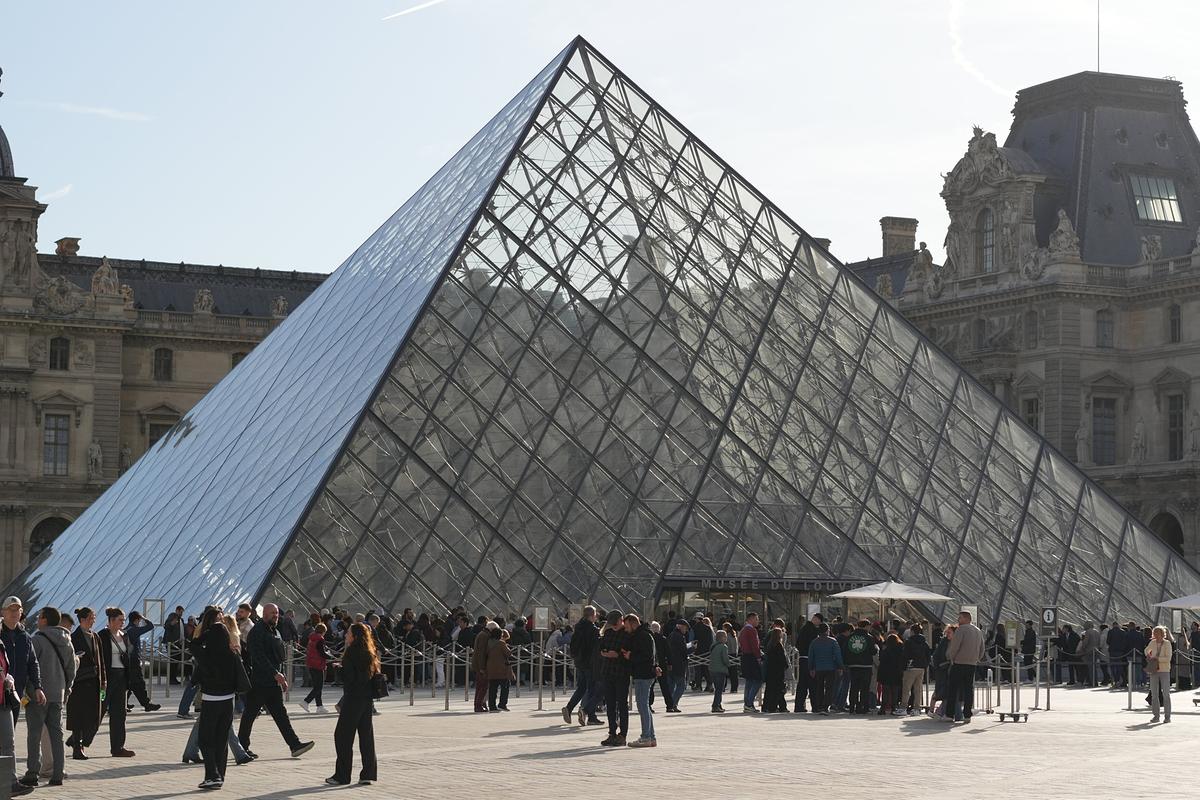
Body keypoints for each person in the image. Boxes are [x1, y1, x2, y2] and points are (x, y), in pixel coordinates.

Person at [238, 603, 315, 759]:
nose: (276, 615)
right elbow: (258, 656)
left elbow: (277, 657)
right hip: (259, 682)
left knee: (281, 715)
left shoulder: (275, 631)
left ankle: (294, 745)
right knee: (250, 715)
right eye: (272, 613)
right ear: (264, 613)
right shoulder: (257, 632)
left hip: (273, 683)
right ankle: (242, 747)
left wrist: (281, 677)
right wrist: (275, 674)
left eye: (277, 613)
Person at [189, 608, 248, 790]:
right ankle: (220, 776)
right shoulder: (232, 653)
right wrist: (220, 628)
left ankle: (212, 775)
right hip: (228, 700)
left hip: (211, 699)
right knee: (222, 740)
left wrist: (207, 632)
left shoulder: (207, 655)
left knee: (206, 739)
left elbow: (193, 645)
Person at [19, 607, 75, 788]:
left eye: (40, 617)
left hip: (39, 694)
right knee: (56, 735)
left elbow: (29, 667)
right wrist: (66, 690)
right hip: (57, 694)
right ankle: (57, 774)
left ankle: (32, 773)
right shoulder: (67, 641)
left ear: (44, 620)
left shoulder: (37, 639)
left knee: (34, 735)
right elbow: (71, 669)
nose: (37, 620)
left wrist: (27, 690)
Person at [325, 623, 379, 786]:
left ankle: (342, 776)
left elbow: (349, 677)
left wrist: (338, 668)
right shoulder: (369, 652)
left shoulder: (351, 652)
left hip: (353, 698)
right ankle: (368, 773)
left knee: (342, 736)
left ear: (354, 636)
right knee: (366, 737)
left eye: (348, 633)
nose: (346, 635)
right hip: (366, 699)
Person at [66, 608, 105, 760]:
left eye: (94, 617)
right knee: (78, 718)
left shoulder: (95, 636)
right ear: (83, 619)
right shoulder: (73, 637)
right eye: (91, 617)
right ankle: (77, 747)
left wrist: (103, 681)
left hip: (94, 683)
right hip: (79, 684)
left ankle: (77, 743)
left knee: (93, 718)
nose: (93, 620)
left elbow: (101, 661)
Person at [96, 608, 135, 757]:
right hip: (106, 679)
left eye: (123, 620)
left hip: (121, 678)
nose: (122, 622)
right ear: (111, 620)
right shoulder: (102, 636)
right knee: (99, 710)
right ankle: (78, 740)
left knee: (119, 714)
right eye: (120, 619)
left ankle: (118, 747)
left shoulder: (124, 636)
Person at [0, 597, 42, 722]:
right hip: (0, 692)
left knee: (9, 735)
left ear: (21, 612)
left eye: (17, 609)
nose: (14, 613)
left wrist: (38, 687)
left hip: (15, 693)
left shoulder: (26, 638)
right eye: (10, 609)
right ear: (3, 612)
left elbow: (33, 664)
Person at [944, 611, 984, 723]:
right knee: (968, 690)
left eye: (960, 618)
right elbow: (982, 648)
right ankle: (967, 715)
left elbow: (955, 646)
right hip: (971, 664)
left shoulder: (961, 630)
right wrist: (977, 658)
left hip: (959, 663)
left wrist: (951, 657)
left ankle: (949, 714)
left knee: (953, 689)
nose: (958, 620)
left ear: (966, 618)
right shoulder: (978, 631)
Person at [624, 614, 658, 747]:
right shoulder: (646, 634)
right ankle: (651, 737)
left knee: (642, 706)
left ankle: (646, 737)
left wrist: (630, 655)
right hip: (646, 673)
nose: (626, 630)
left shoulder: (642, 636)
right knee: (645, 706)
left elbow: (646, 655)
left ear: (633, 623)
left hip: (643, 674)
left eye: (627, 627)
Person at [598, 610, 631, 746]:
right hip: (608, 672)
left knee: (622, 704)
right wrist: (606, 653)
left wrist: (617, 654)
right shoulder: (608, 633)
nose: (614, 626)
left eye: (615, 623)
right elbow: (601, 647)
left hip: (621, 672)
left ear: (621, 620)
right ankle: (612, 732)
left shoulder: (627, 634)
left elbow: (627, 651)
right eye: (611, 624)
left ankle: (622, 734)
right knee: (610, 704)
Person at [562, 606, 598, 725]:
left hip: (579, 662)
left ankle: (569, 708)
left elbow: (573, 645)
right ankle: (586, 711)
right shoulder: (592, 629)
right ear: (592, 615)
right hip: (590, 663)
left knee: (581, 688)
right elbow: (594, 648)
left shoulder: (578, 628)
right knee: (592, 689)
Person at [123, 611, 160, 712]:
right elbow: (150, 626)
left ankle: (123, 703)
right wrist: (143, 617)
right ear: (137, 620)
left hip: (127, 661)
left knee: (130, 683)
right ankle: (146, 704)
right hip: (134, 661)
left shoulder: (126, 629)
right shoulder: (134, 630)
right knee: (138, 682)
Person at [806, 623, 842, 715]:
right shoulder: (833, 641)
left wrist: (811, 668)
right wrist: (840, 666)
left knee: (819, 687)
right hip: (831, 667)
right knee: (829, 688)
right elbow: (838, 655)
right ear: (827, 630)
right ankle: (826, 706)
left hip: (818, 668)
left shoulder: (814, 642)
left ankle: (820, 706)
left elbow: (811, 656)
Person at [300, 623, 334, 713]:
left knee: (317, 686)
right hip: (318, 664)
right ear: (323, 632)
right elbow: (321, 653)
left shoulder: (312, 638)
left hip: (311, 663)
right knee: (319, 687)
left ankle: (319, 706)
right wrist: (330, 656)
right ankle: (306, 701)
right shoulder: (320, 639)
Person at [844, 621, 877, 714]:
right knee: (865, 688)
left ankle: (852, 707)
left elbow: (845, 650)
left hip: (853, 666)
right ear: (866, 626)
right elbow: (873, 651)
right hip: (866, 666)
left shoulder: (850, 637)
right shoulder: (869, 637)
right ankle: (863, 707)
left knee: (854, 687)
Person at [1145, 625, 1173, 724]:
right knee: (1154, 694)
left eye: (1157, 633)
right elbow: (1146, 651)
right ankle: (1156, 716)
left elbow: (1168, 658)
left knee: (1166, 693)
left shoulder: (1167, 643)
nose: (1155, 635)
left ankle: (1167, 716)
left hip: (1164, 670)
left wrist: (1157, 659)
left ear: (1162, 634)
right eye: (1154, 633)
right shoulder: (1152, 642)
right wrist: (1149, 655)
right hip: (1154, 670)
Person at [901, 623, 930, 715]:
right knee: (918, 689)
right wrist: (925, 664)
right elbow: (928, 655)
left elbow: (905, 655)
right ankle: (917, 708)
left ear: (912, 631)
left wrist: (903, 666)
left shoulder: (909, 641)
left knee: (906, 688)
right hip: (921, 667)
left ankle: (903, 708)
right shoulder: (924, 642)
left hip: (911, 666)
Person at [793, 613, 820, 713]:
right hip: (810, 659)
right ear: (816, 619)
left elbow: (798, 644)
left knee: (802, 684)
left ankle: (799, 706)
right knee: (813, 684)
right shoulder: (812, 631)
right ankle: (815, 706)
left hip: (802, 658)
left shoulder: (804, 629)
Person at [738, 612, 763, 713]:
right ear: (751, 619)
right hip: (751, 657)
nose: (758, 621)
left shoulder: (743, 630)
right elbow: (754, 645)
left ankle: (747, 704)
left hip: (745, 657)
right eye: (756, 619)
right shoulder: (751, 630)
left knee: (749, 681)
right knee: (757, 680)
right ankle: (749, 703)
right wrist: (758, 657)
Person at [928, 625, 955, 718]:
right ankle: (932, 710)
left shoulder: (956, 642)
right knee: (939, 690)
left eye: (949, 632)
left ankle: (940, 710)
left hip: (950, 669)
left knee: (946, 691)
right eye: (947, 632)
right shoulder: (944, 642)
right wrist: (939, 666)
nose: (947, 634)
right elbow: (936, 655)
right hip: (942, 669)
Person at [877, 633, 905, 716]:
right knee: (895, 691)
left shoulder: (886, 650)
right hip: (896, 672)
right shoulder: (900, 650)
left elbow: (881, 661)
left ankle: (883, 709)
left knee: (885, 691)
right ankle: (894, 708)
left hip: (886, 673)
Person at [485, 627, 512, 712]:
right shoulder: (501, 643)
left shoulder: (488, 643)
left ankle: (492, 706)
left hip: (491, 668)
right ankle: (502, 704)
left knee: (493, 687)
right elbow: (508, 653)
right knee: (505, 686)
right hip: (501, 668)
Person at [470, 621, 493, 713]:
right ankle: (478, 705)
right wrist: (482, 667)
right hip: (481, 666)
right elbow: (482, 653)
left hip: (478, 665)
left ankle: (478, 704)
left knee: (480, 686)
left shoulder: (482, 634)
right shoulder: (485, 636)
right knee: (483, 686)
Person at [666, 619, 689, 712]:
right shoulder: (680, 637)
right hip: (679, 665)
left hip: (671, 664)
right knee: (681, 685)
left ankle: (669, 705)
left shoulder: (671, 635)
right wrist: (692, 648)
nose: (686, 630)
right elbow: (684, 651)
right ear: (681, 627)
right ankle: (673, 704)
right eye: (685, 628)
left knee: (671, 685)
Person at [708, 629, 731, 713]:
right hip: (720, 670)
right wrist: (729, 665)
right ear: (721, 638)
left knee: (717, 688)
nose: (726, 638)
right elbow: (725, 659)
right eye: (725, 637)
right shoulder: (723, 647)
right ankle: (715, 705)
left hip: (712, 669)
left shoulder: (713, 646)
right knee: (719, 689)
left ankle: (718, 704)